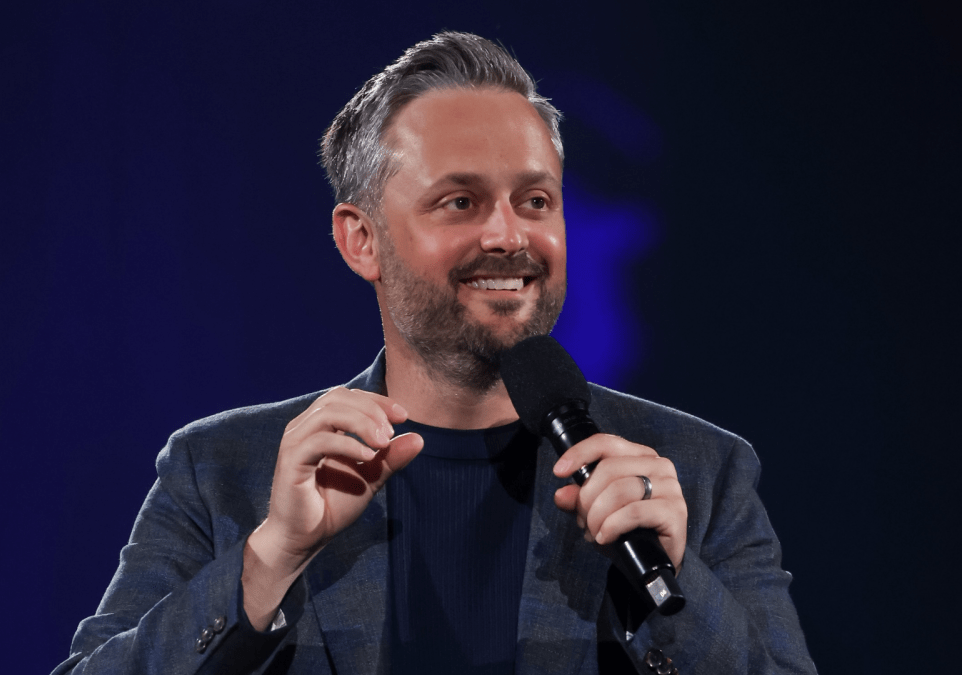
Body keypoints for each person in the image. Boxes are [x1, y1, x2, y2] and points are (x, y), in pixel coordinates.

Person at [53, 32, 817, 675]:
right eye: (461, 201)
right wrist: (270, 556)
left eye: (536, 200)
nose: (509, 235)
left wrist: (683, 589)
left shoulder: (699, 470)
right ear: (361, 239)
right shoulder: (222, 469)